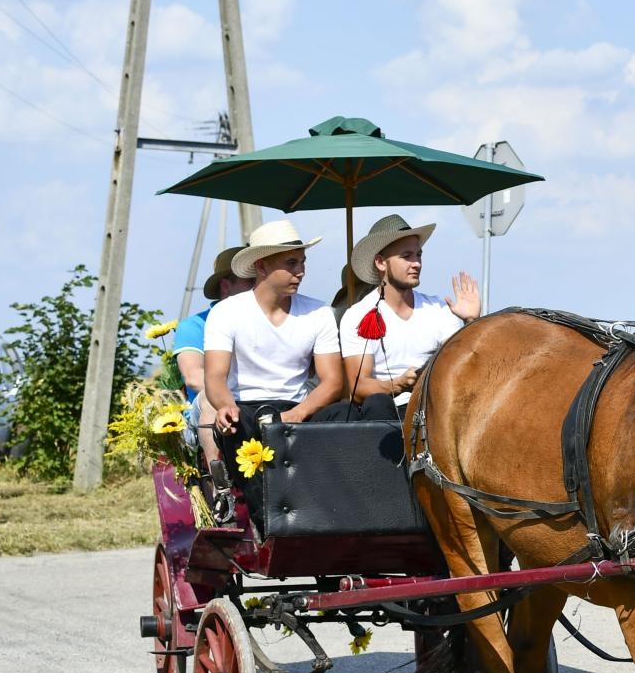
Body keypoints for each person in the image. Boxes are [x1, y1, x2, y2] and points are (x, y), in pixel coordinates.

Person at [203, 219, 349, 504]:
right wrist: (225, 406)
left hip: (297, 406)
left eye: (303, 262)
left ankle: (340, 513)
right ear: (261, 267)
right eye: (291, 263)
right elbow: (215, 377)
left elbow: (333, 381)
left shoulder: (319, 312)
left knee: (345, 416)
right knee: (238, 425)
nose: (301, 272)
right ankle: (265, 521)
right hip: (245, 407)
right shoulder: (226, 312)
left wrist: (299, 412)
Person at [339, 213, 481, 418]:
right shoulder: (357, 316)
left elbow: (461, 363)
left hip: (433, 406)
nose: (416, 263)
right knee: (377, 403)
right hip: (386, 412)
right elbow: (359, 387)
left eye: (419, 255)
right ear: (380, 262)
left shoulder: (438, 308)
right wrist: (398, 384)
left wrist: (471, 322)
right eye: (407, 256)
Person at [173, 245, 245, 466]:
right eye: (250, 281)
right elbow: (194, 377)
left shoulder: (264, 322)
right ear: (225, 285)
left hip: (253, 400)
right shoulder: (194, 326)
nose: (258, 287)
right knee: (211, 398)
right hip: (206, 413)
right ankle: (219, 487)